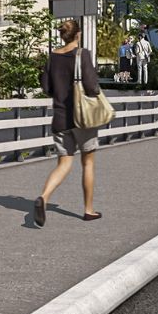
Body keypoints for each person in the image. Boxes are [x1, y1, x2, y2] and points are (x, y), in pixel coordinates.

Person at [36, 18, 105, 227]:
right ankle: (88, 210)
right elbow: (92, 86)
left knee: (64, 163)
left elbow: (47, 88)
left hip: (59, 118)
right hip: (82, 118)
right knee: (88, 162)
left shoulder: (52, 57)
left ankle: (44, 197)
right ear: (78, 34)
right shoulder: (82, 55)